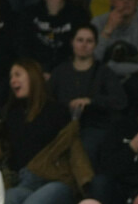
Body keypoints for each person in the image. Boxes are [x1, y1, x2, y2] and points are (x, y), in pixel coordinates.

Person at [1, 59, 72, 204]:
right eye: (11, 77)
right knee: (9, 199)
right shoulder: (13, 114)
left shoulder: (57, 111)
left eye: (18, 75)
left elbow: (69, 149)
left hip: (57, 180)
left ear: (33, 77)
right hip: (27, 180)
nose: (12, 80)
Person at [47, 24, 127, 165]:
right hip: (63, 126)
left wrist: (91, 101)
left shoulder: (104, 72)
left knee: (84, 150)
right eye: (80, 40)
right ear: (72, 42)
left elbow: (120, 101)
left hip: (94, 127)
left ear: (95, 44)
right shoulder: (60, 71)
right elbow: (47, 100)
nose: (84, 45)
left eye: (89, 41)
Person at [17, 0, 90, 74]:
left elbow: (76, 50)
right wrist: (36, 70)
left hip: (66, 73)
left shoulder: (78, 17)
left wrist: (56, 73)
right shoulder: (30, 13)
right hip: (34, 72)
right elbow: (23, 45)